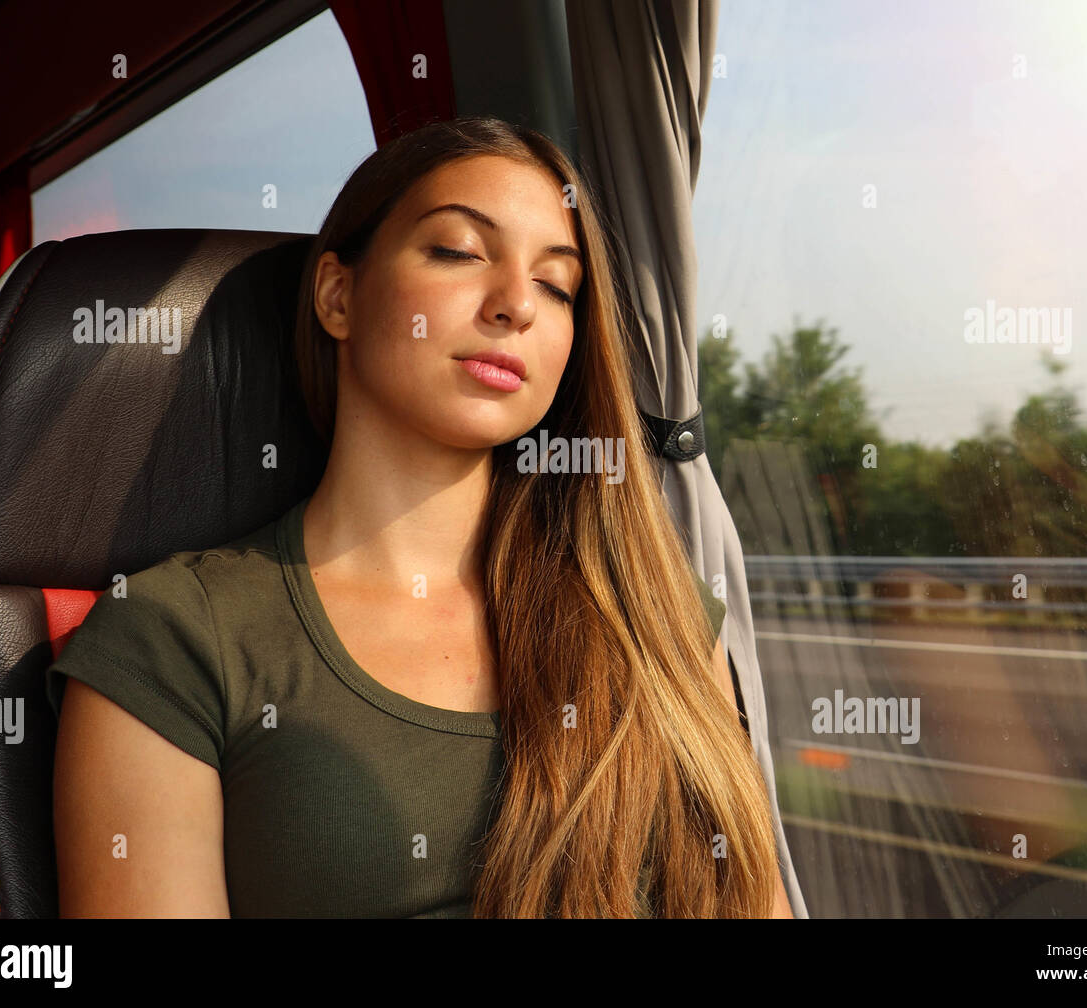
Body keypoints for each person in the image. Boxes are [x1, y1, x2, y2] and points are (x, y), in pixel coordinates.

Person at [48, 115, 792, 918]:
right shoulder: (174, 638)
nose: (517, 305)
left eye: (556, 285)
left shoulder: (650, 604)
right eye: (460, 251)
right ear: (338, 294)